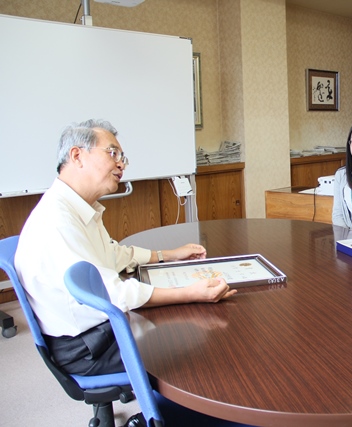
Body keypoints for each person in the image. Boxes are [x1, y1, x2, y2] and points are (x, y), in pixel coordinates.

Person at [15, 119, 236, 377]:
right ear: (77, 155)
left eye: (123, 157)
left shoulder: (76, 207)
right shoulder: (57, 221)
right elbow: (116, 296)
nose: (121, 164)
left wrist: (169, 255)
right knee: (203, 338)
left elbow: (112, 254)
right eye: (112, 153)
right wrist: (190, 293)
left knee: (187, 320)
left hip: (96, 330)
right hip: (88, 347)